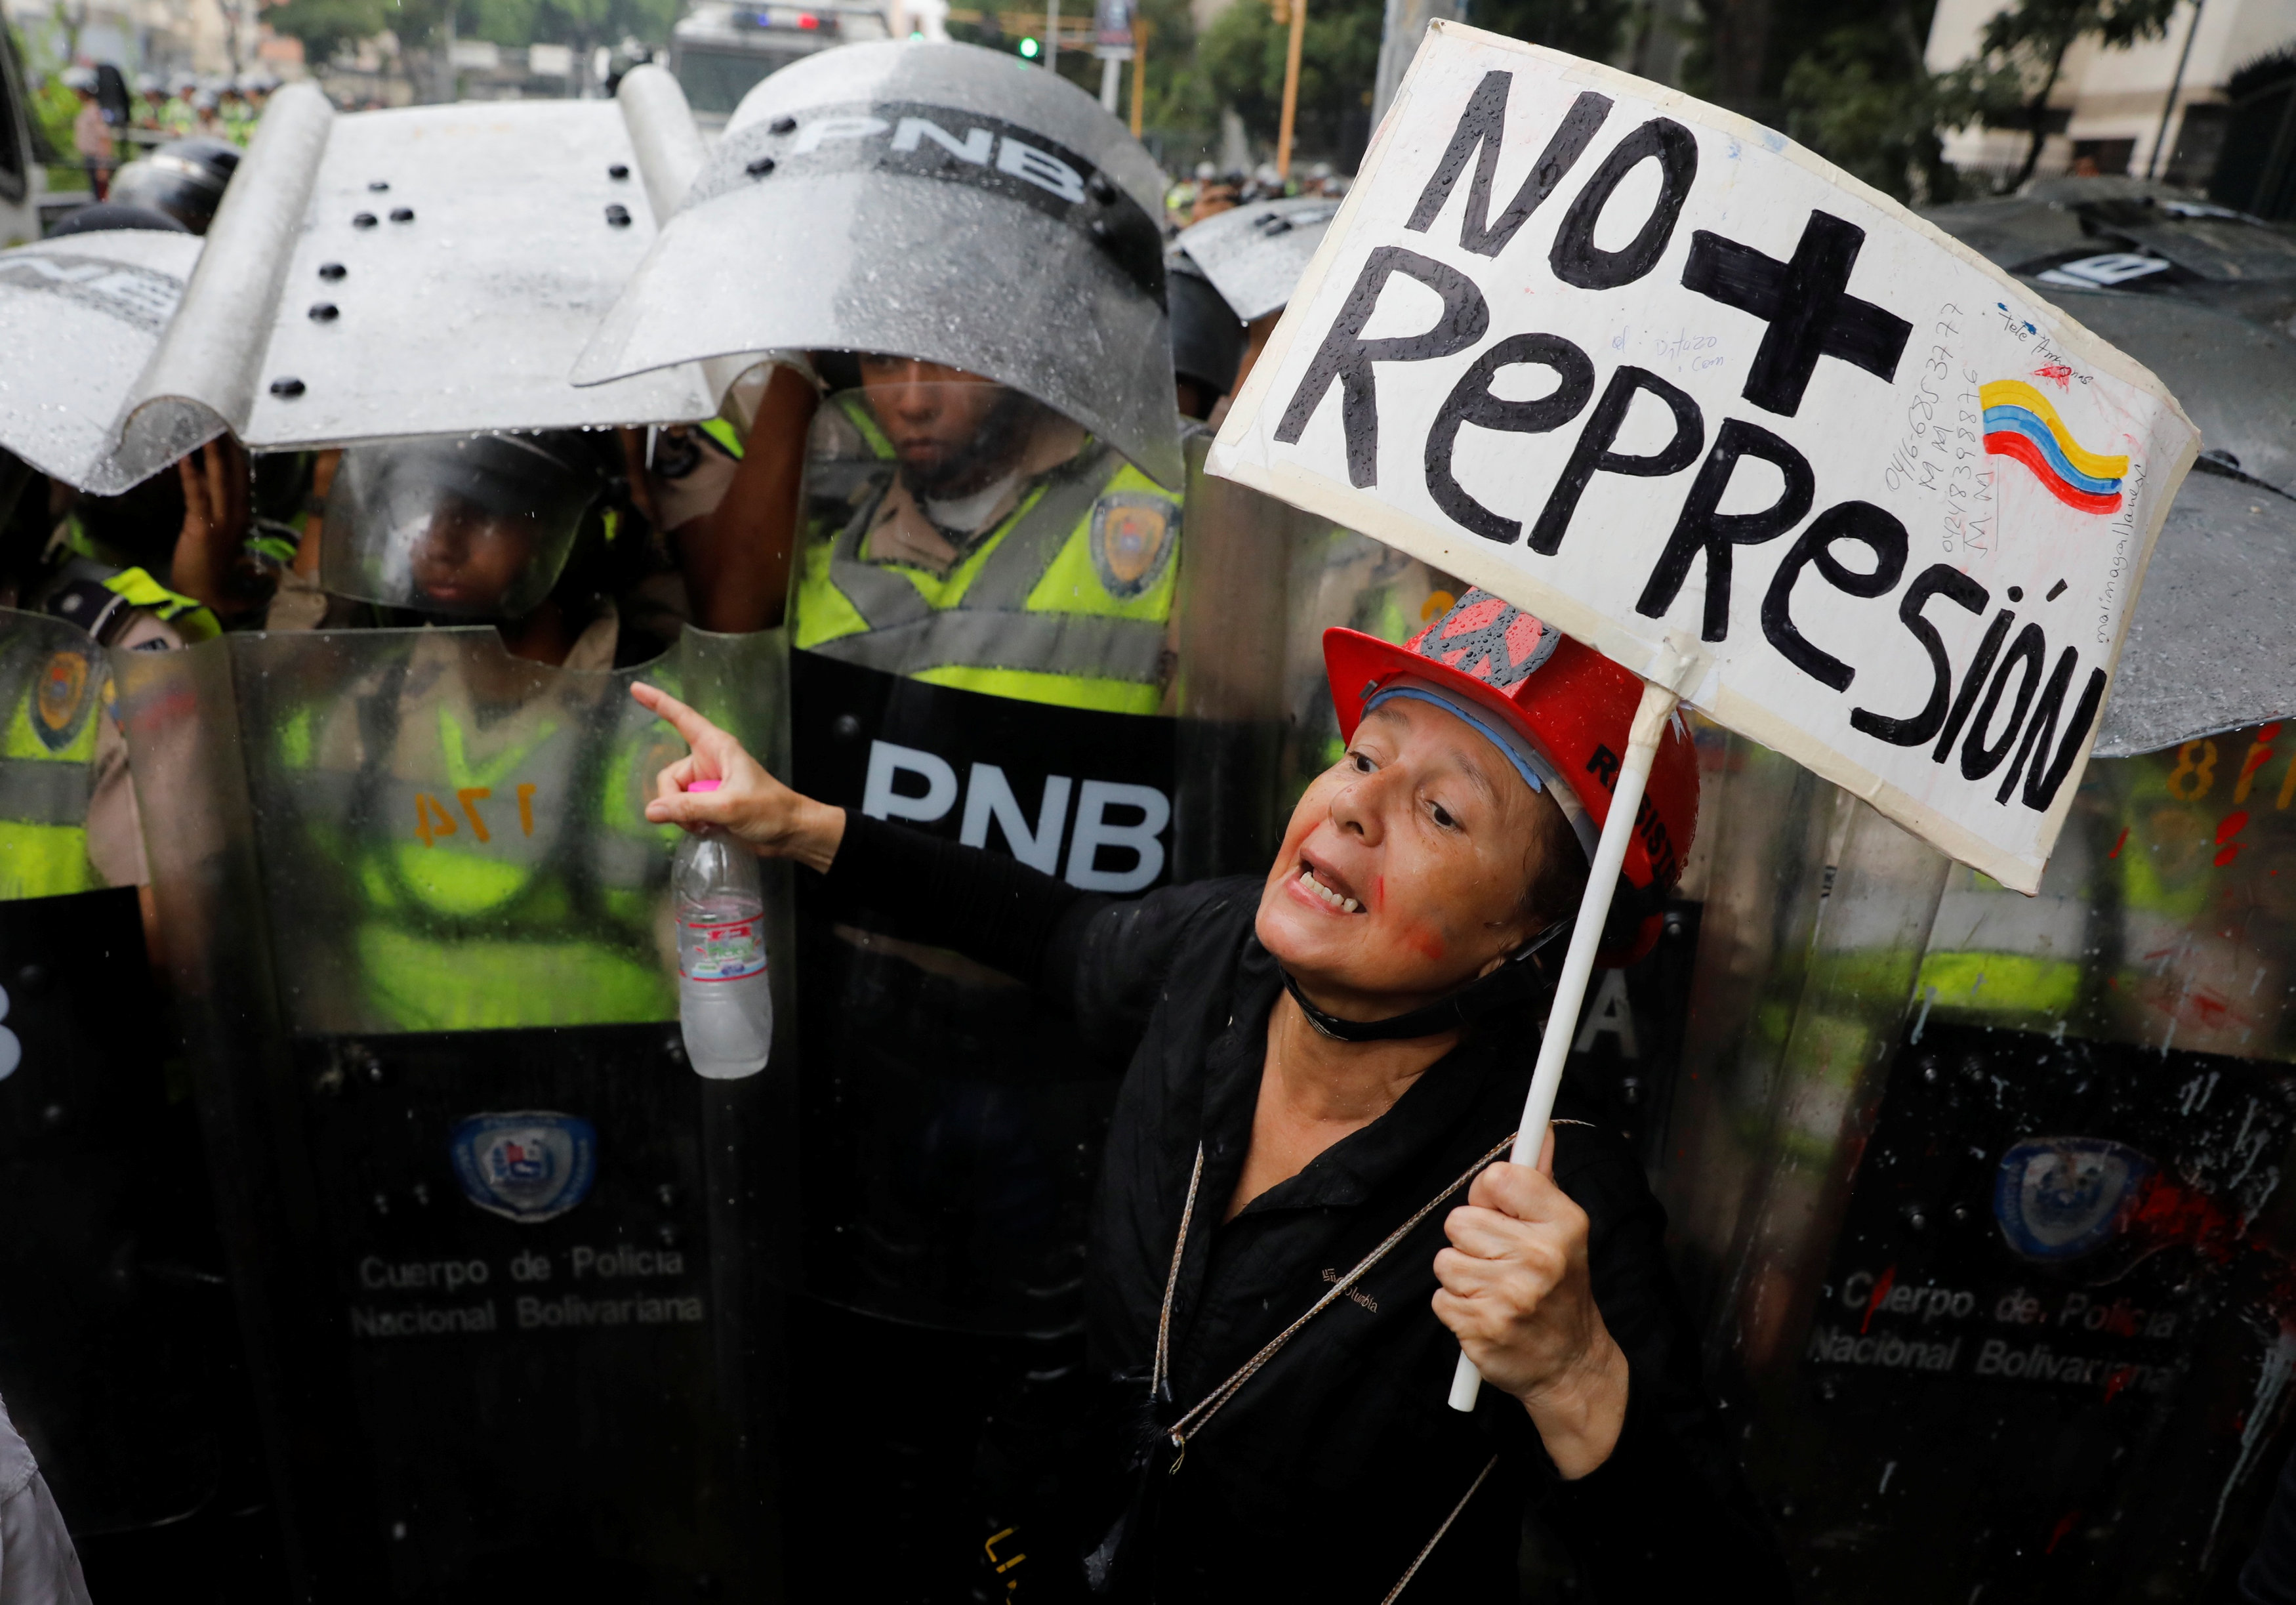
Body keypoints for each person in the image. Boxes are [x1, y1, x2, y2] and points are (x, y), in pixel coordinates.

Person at [630, 585, 1784, 1596]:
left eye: (1441, 811)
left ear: (1535, 940)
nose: (1353, 807)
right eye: (1365, 757)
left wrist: (1579, 1377)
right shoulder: (1215, 952)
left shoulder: (1555, 1203)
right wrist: (796, 826)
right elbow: (1054, 930)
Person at [64, 68, 114, 200]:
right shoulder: (87, 109)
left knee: (101, 198)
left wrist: (103, 167)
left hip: (96, 160)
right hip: (90, 159)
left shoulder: (94, 111)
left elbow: (104, 138)